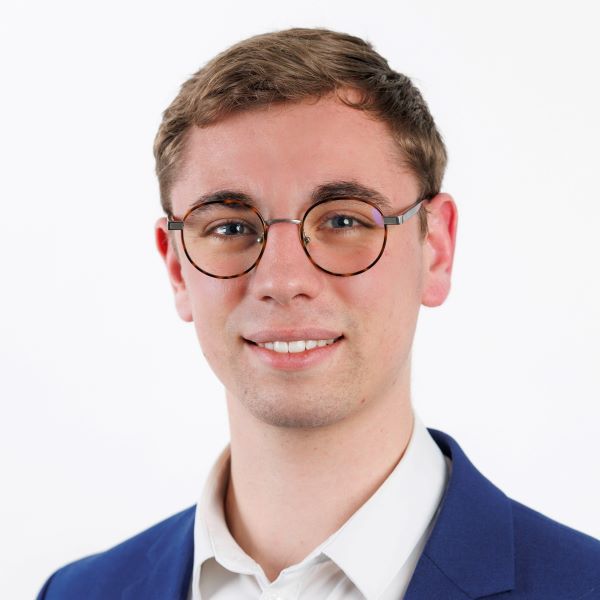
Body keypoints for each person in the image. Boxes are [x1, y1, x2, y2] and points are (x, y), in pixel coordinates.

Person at [37, 27, 600, 600]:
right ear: (178, 267)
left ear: (436, 249)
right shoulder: (78, 593)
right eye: (229, 227)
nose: (283, 281)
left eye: (343, 221)